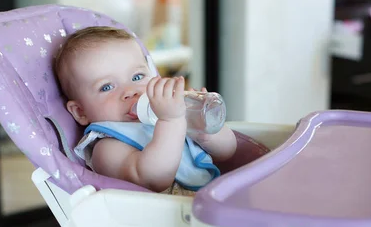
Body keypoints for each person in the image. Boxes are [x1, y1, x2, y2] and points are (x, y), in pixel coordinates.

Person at [54, 26, 238, 194]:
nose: (130, 91)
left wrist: (203, 129)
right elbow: (152, 180)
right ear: (80, 111)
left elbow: (228, 151)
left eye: (137, 76)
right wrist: (171, 122)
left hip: (214, 199)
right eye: (107, 87)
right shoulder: (107, 146)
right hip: (170, 220)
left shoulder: (163, 114)